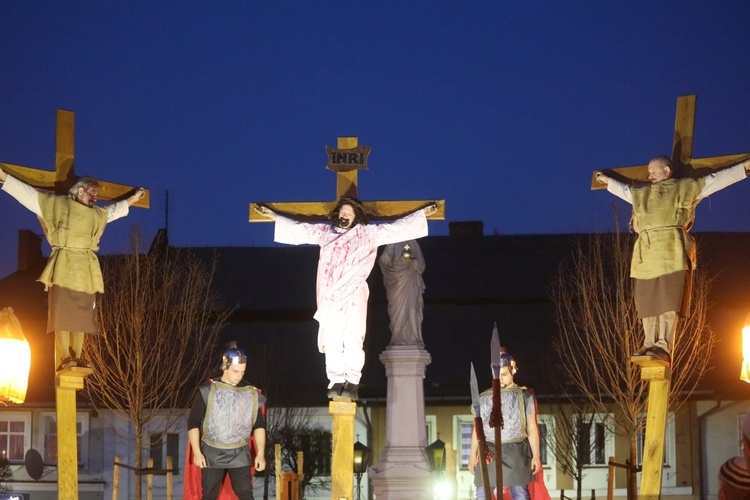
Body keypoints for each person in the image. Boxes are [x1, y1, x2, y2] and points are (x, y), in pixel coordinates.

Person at [255, 196, 437, 400]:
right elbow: (301, 229)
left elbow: (396, 228)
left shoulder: (369, 234)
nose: (344, 216)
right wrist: (274, 216)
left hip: (354, 293)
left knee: (352, 337)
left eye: (349, 213)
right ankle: (335, 380)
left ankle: (352, 381)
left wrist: (421, 215)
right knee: (332, 338)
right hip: (331, 295)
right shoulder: (326, 233)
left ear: (356, 216)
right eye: (342, 213)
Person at [596, 157, 750, 364]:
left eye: (653, 170)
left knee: (668, 299)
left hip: (672, 249)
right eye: (648, 170)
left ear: (667, 170)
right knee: (647, 300)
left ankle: (662, 346)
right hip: (646, 253)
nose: (649, 175)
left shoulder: (685, 188)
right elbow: (624, 191)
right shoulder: (641, 194)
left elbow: (716, 179)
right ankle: (648, 343)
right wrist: (608, 181)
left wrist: (744, 168)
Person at [0, 167, 145, 370]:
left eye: (96, 194)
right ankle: (65, 357)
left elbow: (114, 212)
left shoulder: (96, 214)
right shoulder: (57, 205)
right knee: (62, 314)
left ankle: (78, 356)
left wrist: (133, 198)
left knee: (82, 316)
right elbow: (30, 196)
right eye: (92, 193)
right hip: (64, 266)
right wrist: (4, 177)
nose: (95, 198)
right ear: (79, 191)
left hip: (85, 270)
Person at [187, 342, 267, 500]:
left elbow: (259, 425)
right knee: (209, 495)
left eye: (242, 372)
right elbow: (193, 422)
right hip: (212, 451)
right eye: (236, 371)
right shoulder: (208, 391)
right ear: (225, 367)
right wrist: (197, 452)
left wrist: (261, 453)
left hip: (239, 451)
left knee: (245, 494)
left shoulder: (249, 393)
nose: (240, 376)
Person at [469, 348, 542, 500]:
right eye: (497, 375)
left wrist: (536, 456)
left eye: (504, 374)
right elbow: (477, 430)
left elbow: (532, 427)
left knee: (520, 495)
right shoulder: (483, 398)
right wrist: (471, 457)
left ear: (513, 371)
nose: (500, 379)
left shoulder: (525, 396)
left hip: (516, 451)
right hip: (488, 450)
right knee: (482, 495)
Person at [379, 239, 426, 347]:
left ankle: (413, 338)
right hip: (396, 280)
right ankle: (398, 337)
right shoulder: (392, 243)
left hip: (410, 280)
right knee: (397, 311)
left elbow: (421, 265)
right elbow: (383, 262)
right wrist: (388, 251)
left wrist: (414, 262)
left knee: (412, 308)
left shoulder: (413, 244)